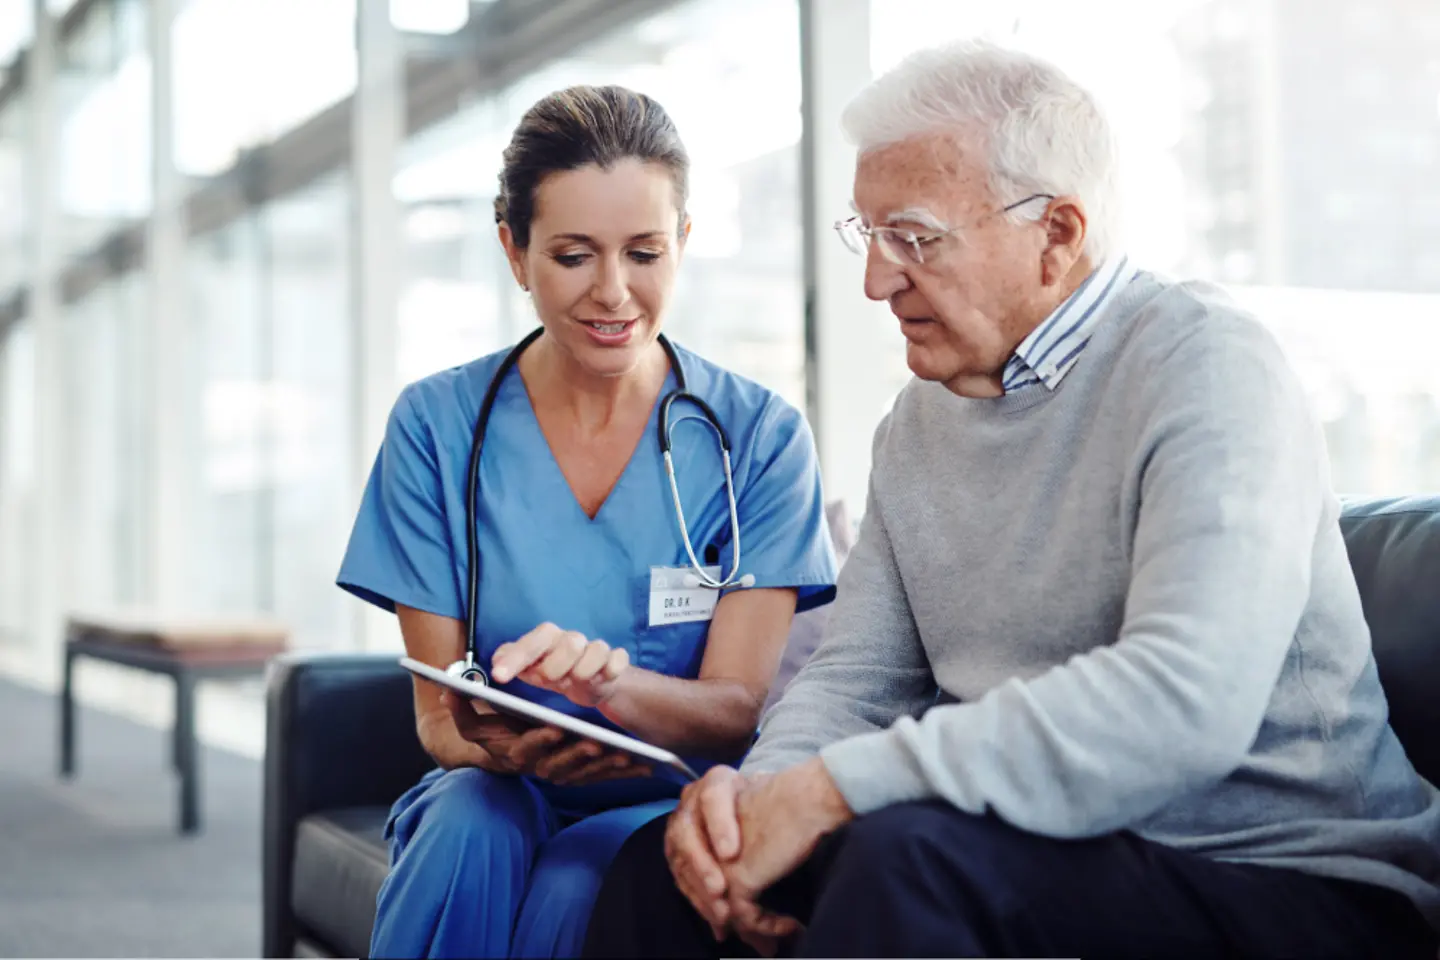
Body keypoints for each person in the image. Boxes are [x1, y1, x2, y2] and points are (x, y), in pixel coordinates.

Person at [582, 40, 1440, 959]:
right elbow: (857, 679)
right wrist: (761, 801)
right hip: (1036, 854)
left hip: (1288, 877)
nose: (876, 279)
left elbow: (1185, 701)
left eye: (912, 237)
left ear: (1057, 235)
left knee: (904, 859)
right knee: (660, 871)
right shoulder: (916, 425)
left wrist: (835, 791)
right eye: (867, 236)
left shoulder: (1209, 367)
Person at [337, 84, 838, 959]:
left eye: (644, 252)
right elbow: (438, 718)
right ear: (514, 250)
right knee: (467, 828)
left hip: (668, 792)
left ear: (682, 243)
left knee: (579, 881)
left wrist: (608, 697)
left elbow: (735, 710)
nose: (614, 293)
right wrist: (498, 743)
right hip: (494, 786)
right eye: (573, 256)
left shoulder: (758, 439)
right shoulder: (436, 427)